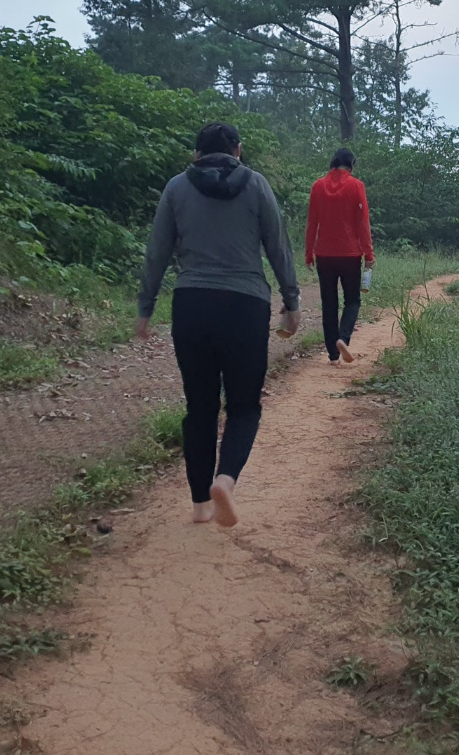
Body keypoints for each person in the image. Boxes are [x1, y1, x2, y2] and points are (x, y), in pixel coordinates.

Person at [134, 122, 301, 528]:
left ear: (195, 155)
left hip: (192, 304)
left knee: (200, 407)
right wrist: (291, 301)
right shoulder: (257, 185)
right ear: (238, 152)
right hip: (246, 305)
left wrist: (145, 308)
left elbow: (157, 252)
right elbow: (278, 245)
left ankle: (198, 506)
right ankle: (225, 480)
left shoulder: (176, 187)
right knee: (243, 405)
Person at [304, 147, 374, 365]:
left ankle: (333, 355)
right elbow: (363, 223)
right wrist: (369, 253)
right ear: (351, 164)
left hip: (324, 254)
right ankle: (343, 338)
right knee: (352, 300)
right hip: (350, 254)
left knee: (329, 303)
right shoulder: (356, 186)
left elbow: (312, 222)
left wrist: (309, 252)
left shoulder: (317, 186)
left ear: (333, 163)